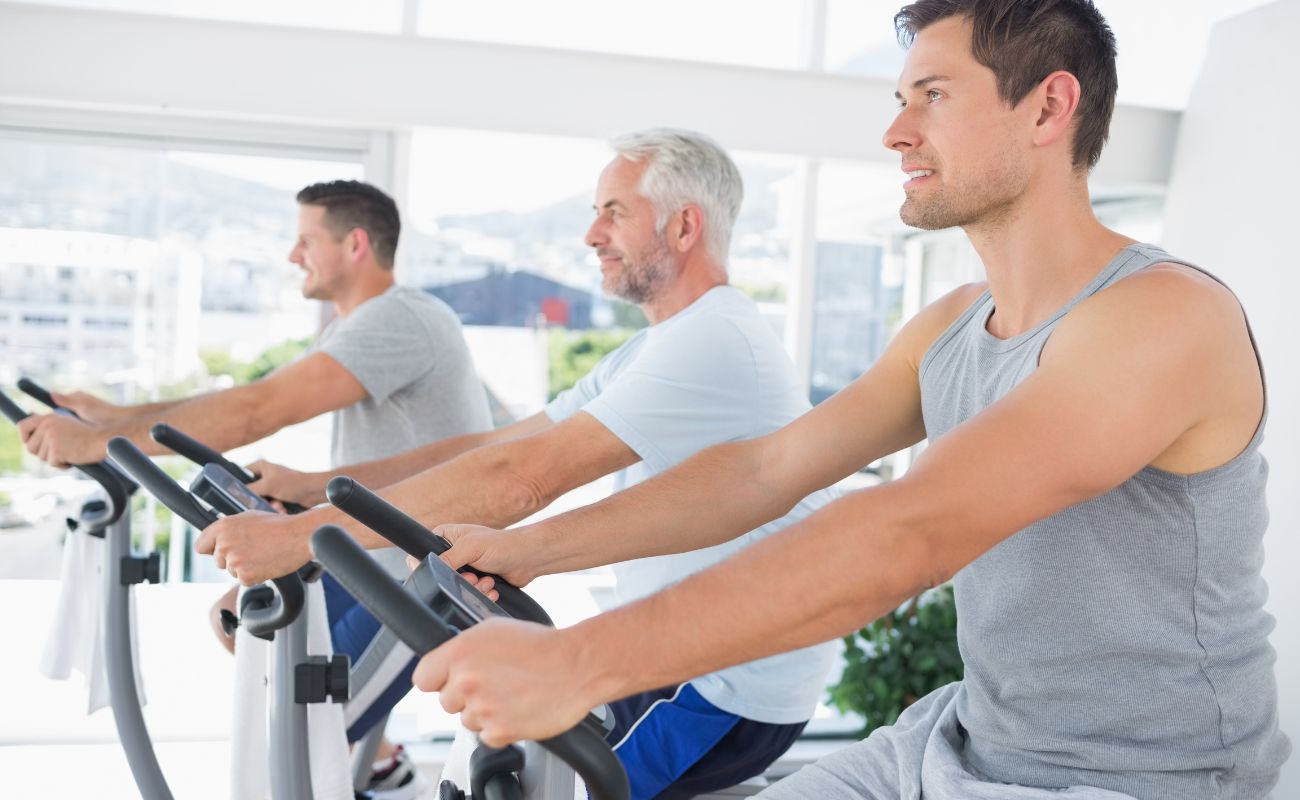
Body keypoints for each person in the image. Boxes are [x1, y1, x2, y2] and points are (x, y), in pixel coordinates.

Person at [390, 2, 1290, 798]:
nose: (896, 132)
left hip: (1142, 781)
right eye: (900, 100)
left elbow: (912, 531)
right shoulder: (948, 327)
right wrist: (530, 549)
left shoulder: (1164, 319)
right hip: (963, 740)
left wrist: (579, 664)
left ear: (1050, 107)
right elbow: (766, 470)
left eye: (932, 96)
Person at [196, 129, 839, 800]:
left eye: (614, 212)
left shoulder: (712, 338)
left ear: (684, 226)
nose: (591, 234)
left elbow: (522, 479)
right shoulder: (656, 346)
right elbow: (497, 448)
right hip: (667, 650)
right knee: (495, 758)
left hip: (719, 684)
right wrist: (313, 493)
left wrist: (301, 537)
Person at [18, 179, 492, 798]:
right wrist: (115, 419)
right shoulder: (362, 323)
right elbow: (249, 400)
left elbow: (258, 409)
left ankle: (385, 774)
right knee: (239, 621)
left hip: (422, 570)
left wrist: (100, 441)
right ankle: (383, 768)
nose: (293, 255)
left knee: (309, 717)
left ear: (354, 244)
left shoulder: (400, 318)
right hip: (369, 552)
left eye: (305, 241)